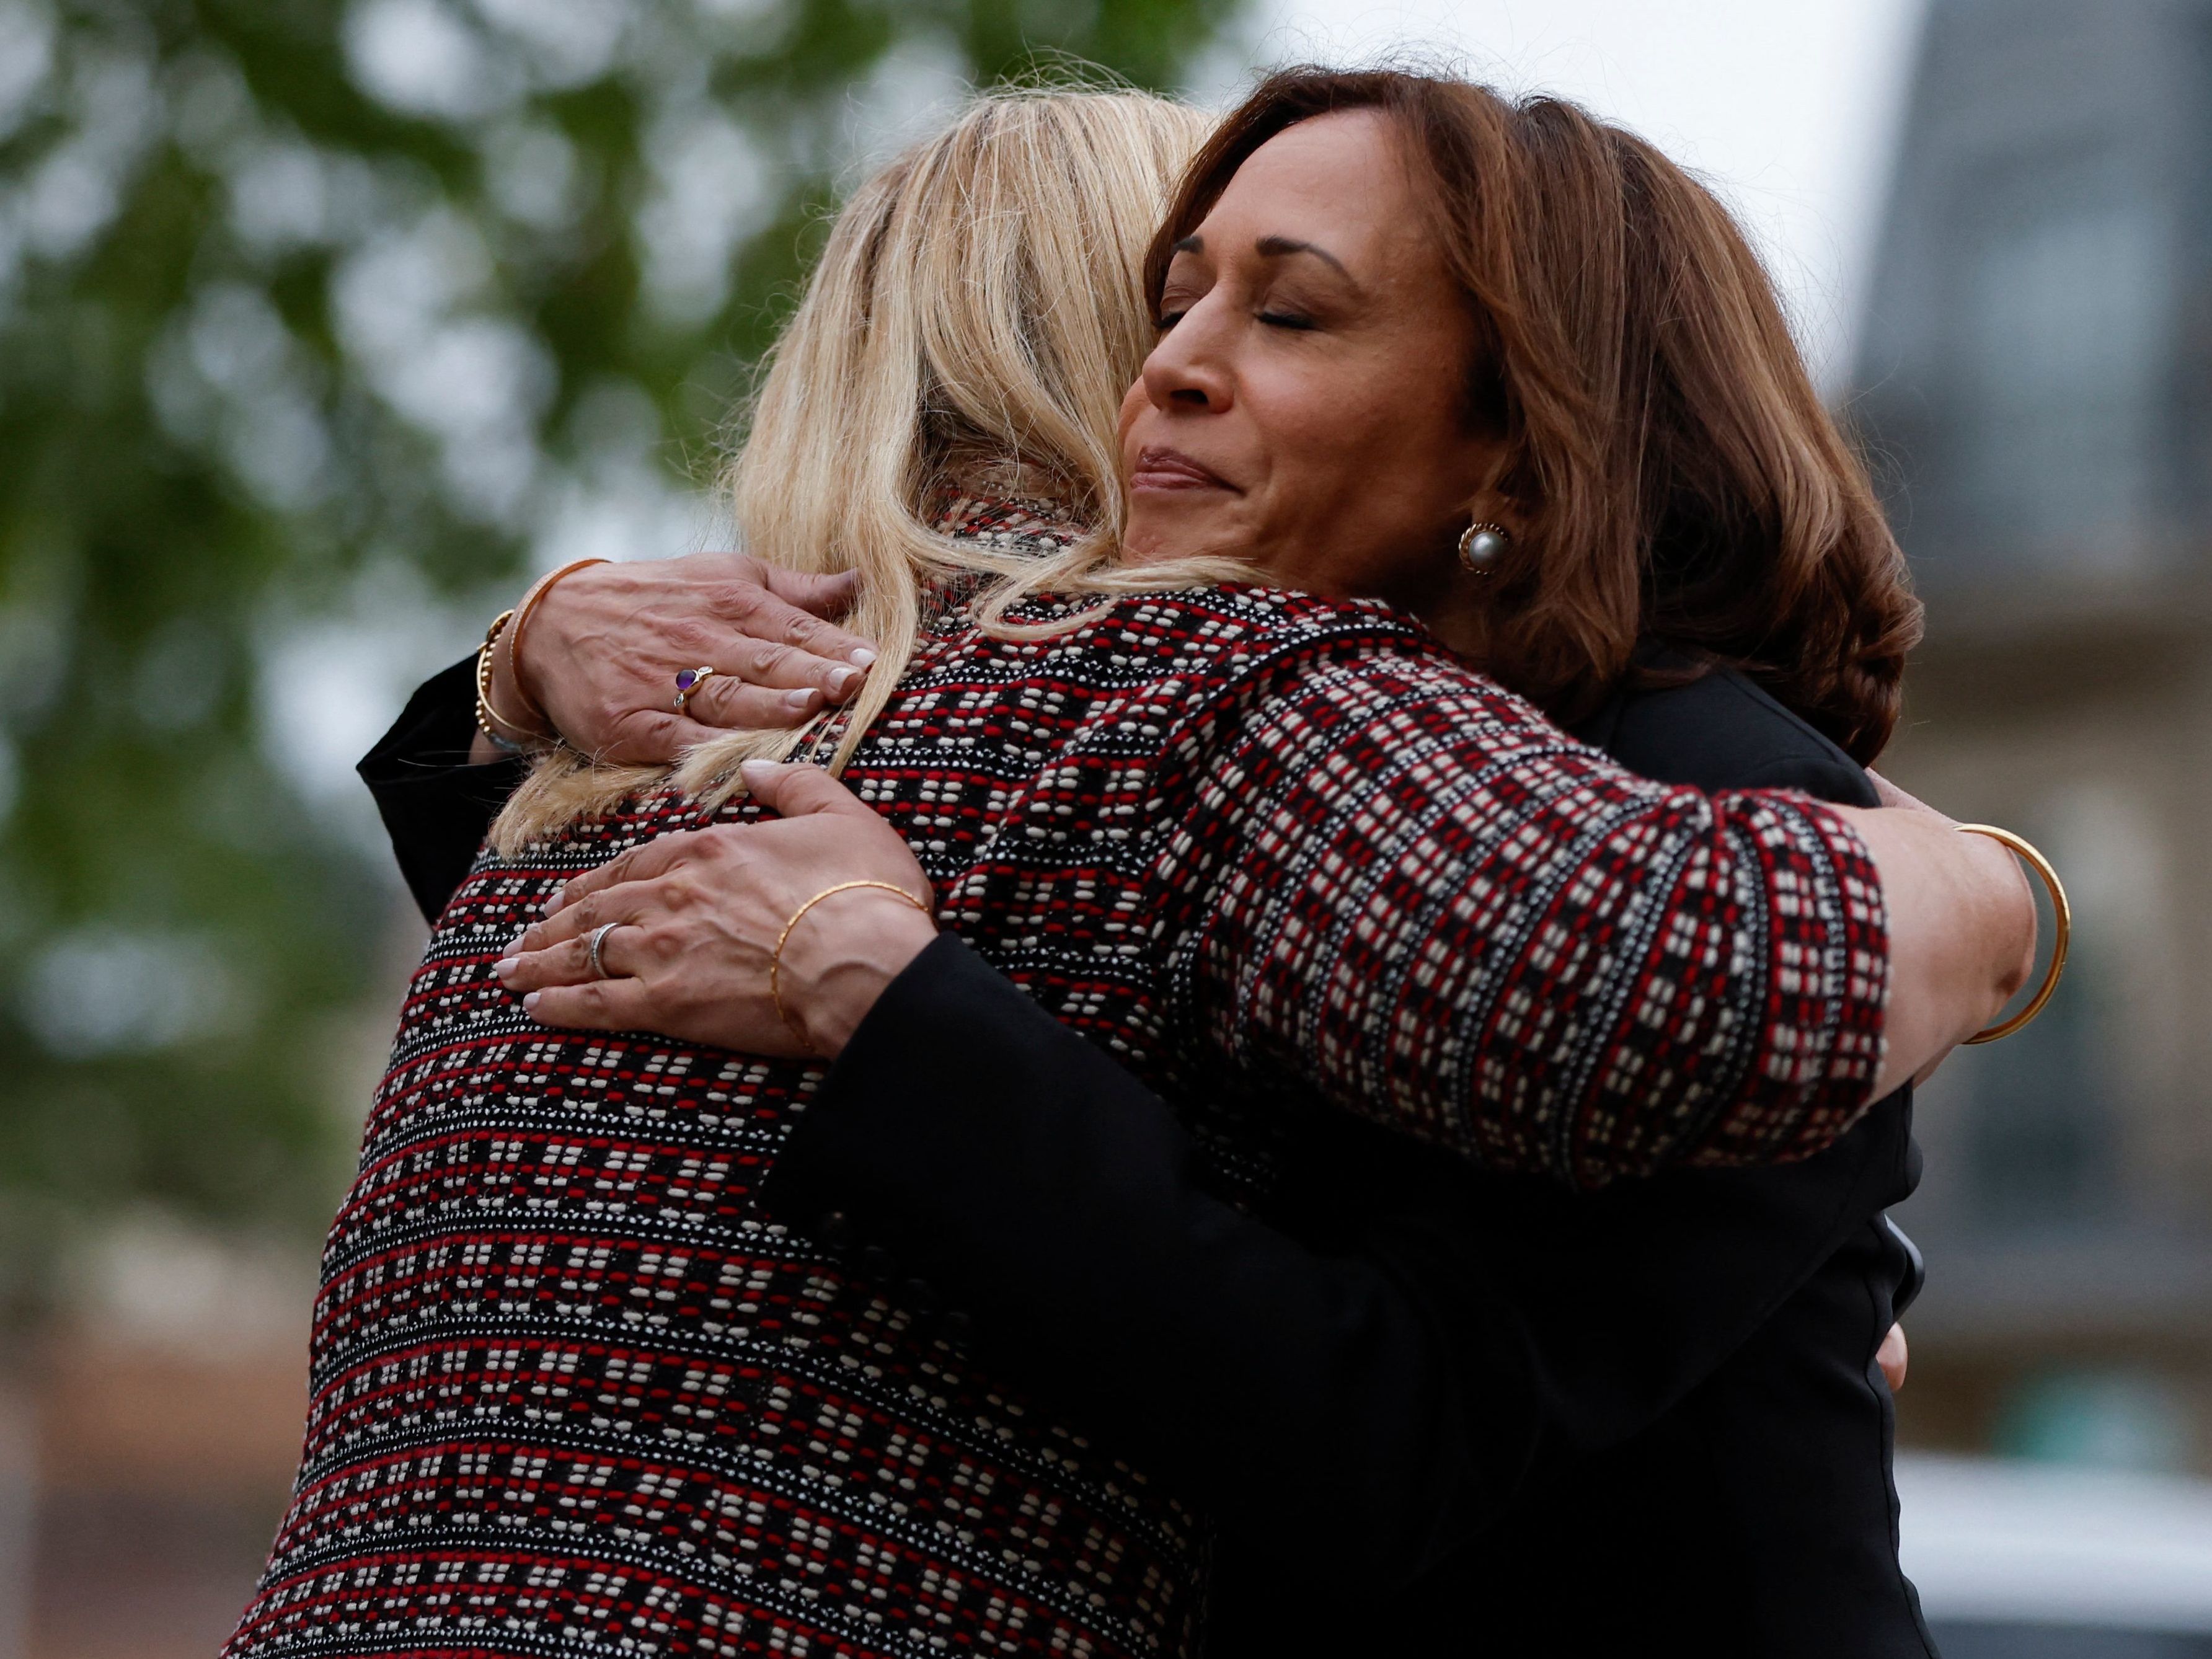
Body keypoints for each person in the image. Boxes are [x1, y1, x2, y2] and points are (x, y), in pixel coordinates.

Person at [272, 77, 2036, 1659]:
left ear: (1516, 419)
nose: (1173, 367)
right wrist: (524, 651)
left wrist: (2004, 898)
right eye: (1167, 295)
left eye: (1288, 309)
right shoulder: (1016, 721)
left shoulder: (1664, 779)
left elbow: (1387, 1430)